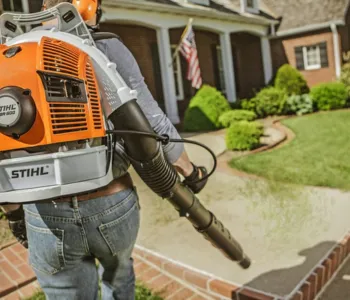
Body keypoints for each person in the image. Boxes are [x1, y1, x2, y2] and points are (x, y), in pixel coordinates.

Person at [0, 0, 208, 299]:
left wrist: (14, 214)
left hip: (44, 212)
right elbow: (149, 119)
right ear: (87, 6)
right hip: (111, 201)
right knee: (119, 280)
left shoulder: (9, 54)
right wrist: (189, 171)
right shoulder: (103, 46)